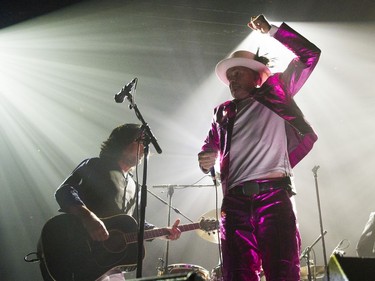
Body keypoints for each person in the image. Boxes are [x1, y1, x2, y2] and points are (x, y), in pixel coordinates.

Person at [198, 14, 321, 281]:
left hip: (273, 196)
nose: (232, 80)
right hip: (235, 203)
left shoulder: (276, 90)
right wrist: (205, 158)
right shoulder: (222, 112)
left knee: (282, 270)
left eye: (238, 73)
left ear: (256, 76)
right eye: (230, 76)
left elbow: (310, 55)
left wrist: (272, 31)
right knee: (237, 273)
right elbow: (210, 146)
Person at [53, 123, 181, 281]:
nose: (144, 148)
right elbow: (65, 190)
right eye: (140, 141)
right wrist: (88, 217)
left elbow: (135, 222)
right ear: (122, 142)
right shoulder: (96, 165)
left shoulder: (134, 185)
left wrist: (161, 232)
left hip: (109, 265)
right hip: (77, 252)